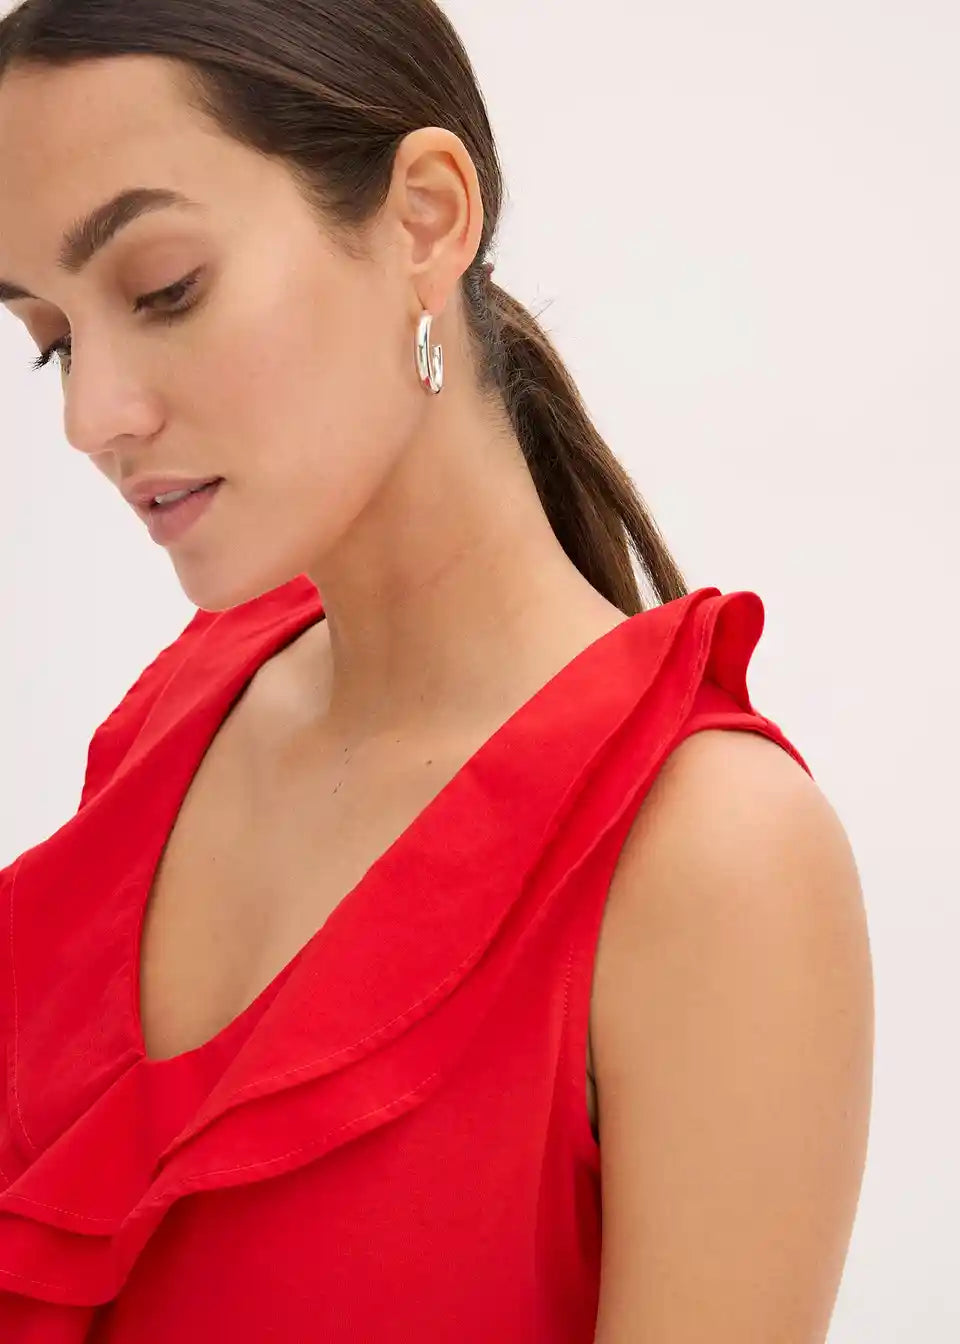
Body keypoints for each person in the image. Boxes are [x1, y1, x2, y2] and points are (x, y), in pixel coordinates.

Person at [0, 2, 873, 1340]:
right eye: (53, 338)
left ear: (424, 218)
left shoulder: (709, 860)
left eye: (166, 289)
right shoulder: (180, 715)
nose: (90, 416)